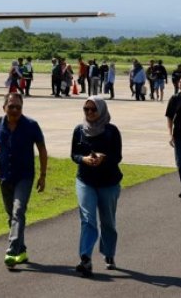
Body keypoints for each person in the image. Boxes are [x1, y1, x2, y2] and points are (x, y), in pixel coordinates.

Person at [0, 93, 48, 268]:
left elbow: (42, 150)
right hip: (4, 176)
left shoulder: (31, 125)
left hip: (25, 176)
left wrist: (43, 176)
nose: (15, 110)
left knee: (18, 211)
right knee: (11, 215)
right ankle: (22, 250)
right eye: (11, 106)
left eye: (18, 107)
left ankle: (12, 251)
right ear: (4, 107)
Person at [71, 96, 122, 277]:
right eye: (86, 110)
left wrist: (103, 158)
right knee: (87, 219)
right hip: (86, 180)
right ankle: (85, 258)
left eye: (93, 110)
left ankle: (109, 253)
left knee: (107, 221)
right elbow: (74, 154)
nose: (90, 113)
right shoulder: (79, 130)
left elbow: (117, 156)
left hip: (108, 182)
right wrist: (84, 159)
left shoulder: (111, 131)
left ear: (101, 110)